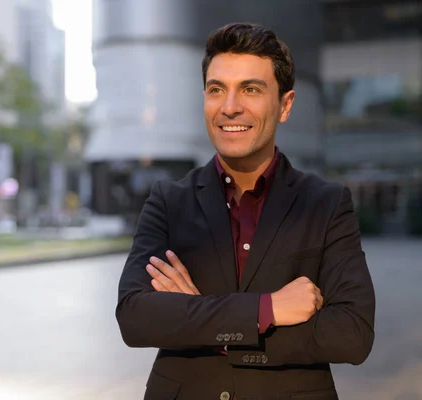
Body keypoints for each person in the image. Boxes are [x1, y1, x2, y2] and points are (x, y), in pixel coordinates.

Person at [116, 22, 375, 400]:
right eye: (216, 90)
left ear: (285, 105)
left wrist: (197, 318)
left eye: (251, 89)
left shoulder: (326, 204)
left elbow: (353, 334)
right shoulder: (168, 200)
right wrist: (265, 310)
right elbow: (135, 318)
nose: (230, 107)